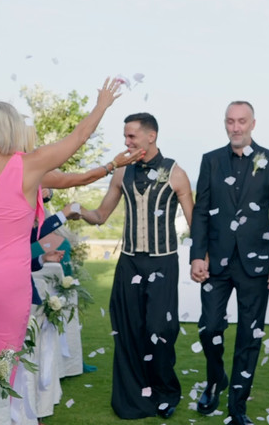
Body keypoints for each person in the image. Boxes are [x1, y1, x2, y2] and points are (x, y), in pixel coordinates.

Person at [0, 78, 122, 368]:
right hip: (6, 282)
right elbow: (77, 138)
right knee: (2, 365)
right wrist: (101, 105)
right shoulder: (30, 165)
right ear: (11, 128)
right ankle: (3, 414)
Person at [76, 112, 194, 420]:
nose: (126, 142)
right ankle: (135, 395)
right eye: (126, 136)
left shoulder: (176, 173)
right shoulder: (121, 173)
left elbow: (196, 223)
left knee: (161, 329)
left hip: (164, 262)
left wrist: (202, 257)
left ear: (150, 136)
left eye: (131, 136)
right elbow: (101, 215)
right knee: (129, 330)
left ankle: (166, 392)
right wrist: (78, 212)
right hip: (129, 263)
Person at [190, 101, 269, 425]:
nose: (236, 127)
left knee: (249, 338)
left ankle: (237, 410)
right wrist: (197, 254)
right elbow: (201, 211)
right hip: (217, 264)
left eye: (241, 121)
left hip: (257, 265)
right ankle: (216, 378)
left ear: (253, 123)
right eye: (230, 121)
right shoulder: (210, 161)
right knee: (209, 328)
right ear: (225, 124)